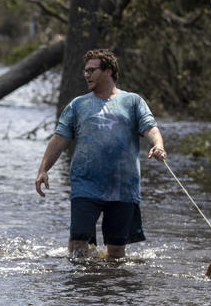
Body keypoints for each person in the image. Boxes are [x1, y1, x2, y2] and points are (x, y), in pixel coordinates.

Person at [34, 48, 167, 259]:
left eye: (92, 70)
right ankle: (82, 289)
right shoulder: (78, 105)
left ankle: (110, 288)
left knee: (116, 252)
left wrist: (158, 145)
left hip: (123, 187)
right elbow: (59, 138)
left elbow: (151, 128)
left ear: (109, 71)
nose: (86, 75)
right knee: (78, 246)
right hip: (85, 185)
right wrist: (43, 170)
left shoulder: (132, 102)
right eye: (85, 71)